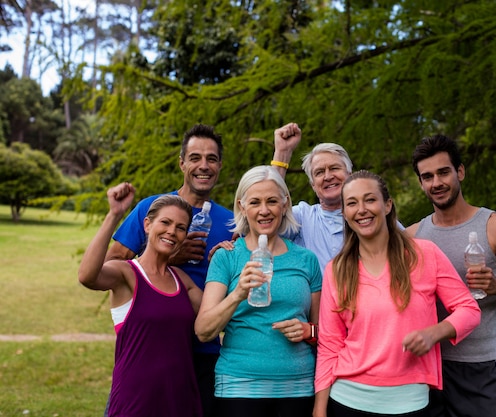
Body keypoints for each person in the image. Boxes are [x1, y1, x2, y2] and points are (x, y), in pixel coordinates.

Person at [406, 134, 496, 417]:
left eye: (443, 172)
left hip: (481, 368)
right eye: (427, 176)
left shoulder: (495, 227)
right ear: (421, 183)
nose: (436, 183)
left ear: (460, 172)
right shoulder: (412, 237)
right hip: (428, 371)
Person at [314, 170, 481, 417]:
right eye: (351, 203)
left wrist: (433, 333)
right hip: (347, 400)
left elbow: (469, 310)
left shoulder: (425, 254)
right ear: (345, 214)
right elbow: (330, 345)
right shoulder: (336, 270)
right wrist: (319, 409)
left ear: (388, 205)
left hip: (411, 402)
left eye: (370, 199)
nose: (361, 209)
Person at [104, 124, 234, 417]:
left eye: (211, 159)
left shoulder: (230, 222)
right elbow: (113, 262)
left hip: (205, 353)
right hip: (152, 349)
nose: (204, 165)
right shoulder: (152, 209)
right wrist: (168, 260)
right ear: (182, 163)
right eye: (196, 157)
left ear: (220, 166)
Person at [194, 165, 322, 417]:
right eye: (255, 202)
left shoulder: (306, 260)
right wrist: (239, 293)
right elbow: (203, 330)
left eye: (272, 201)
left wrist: (309, 331)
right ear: (242, 206)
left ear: (285, 204)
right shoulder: (226, 257)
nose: (264, 210)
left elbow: (324, 333)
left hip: (297, 388)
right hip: (238, 386)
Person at [78, 182, 204, 417]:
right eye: (165, 223)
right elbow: (87, 276)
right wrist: (114, 214)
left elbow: (216, 317)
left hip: (181, 399)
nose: (171, 232)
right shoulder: (126, 273)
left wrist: (231, 259)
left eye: (180, 227)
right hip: (135, 402)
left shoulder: (182, 280)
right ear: (147, 225)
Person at [271, 124, 353, 271]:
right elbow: (267, 212)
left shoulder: (370, 214)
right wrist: (282, 153)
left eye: (334, 168)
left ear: (350, 175)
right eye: (319, 172)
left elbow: (403, 240)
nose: (328, 176)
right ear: (313, 185)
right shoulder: (302, 217)